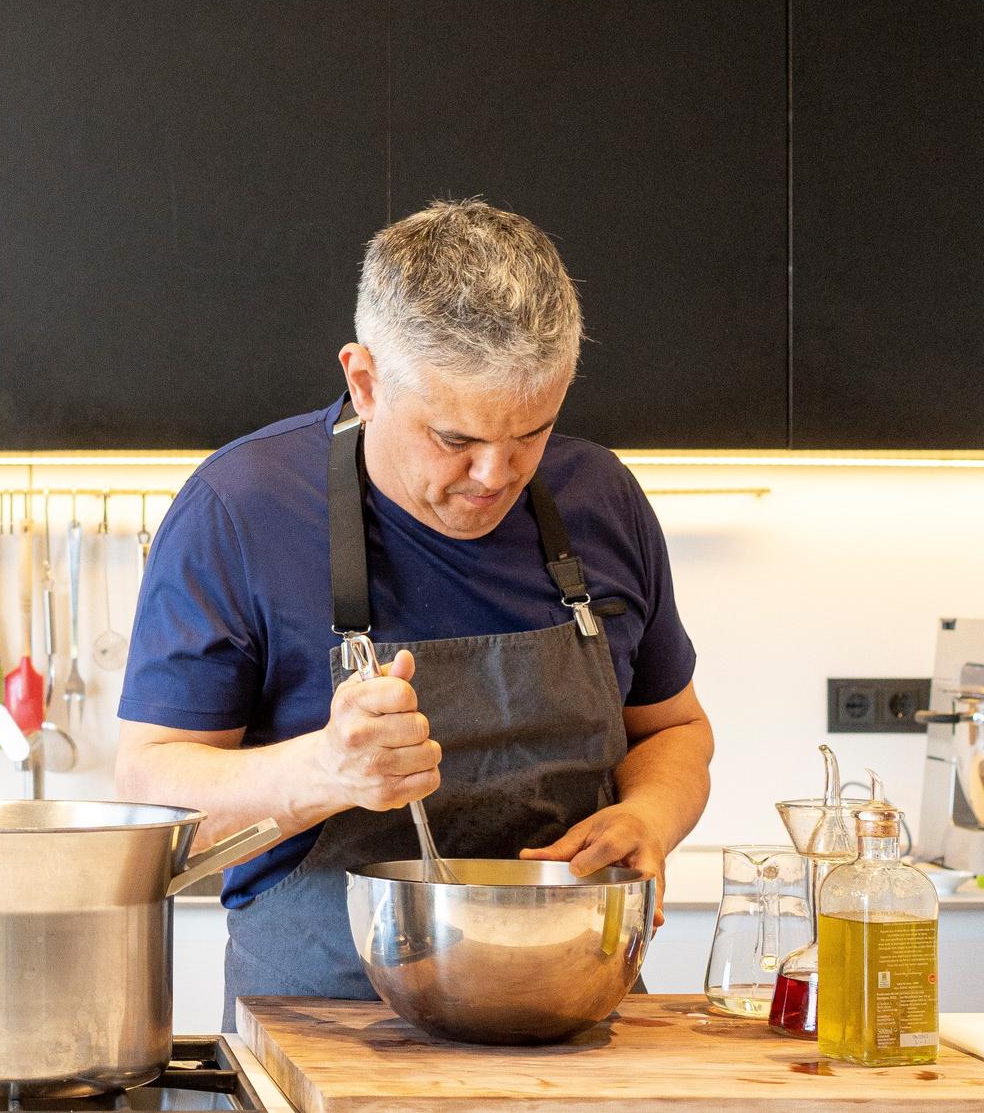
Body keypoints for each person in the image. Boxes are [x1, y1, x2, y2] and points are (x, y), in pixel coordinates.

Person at [114, 199, 714, 1028]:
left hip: (575, 1024)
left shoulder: (599, 496)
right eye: (454, 437)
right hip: (322, 1033)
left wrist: (650, 816)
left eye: (533, 431)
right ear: (364, 381)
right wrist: (326, 770)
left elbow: (674, 731)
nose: (494, 475)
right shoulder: (239, 510)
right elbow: (149, 795)